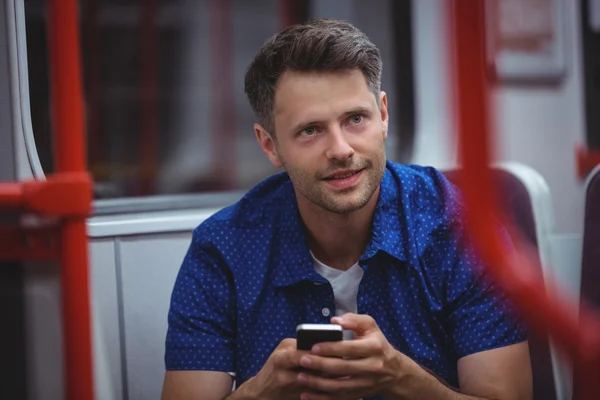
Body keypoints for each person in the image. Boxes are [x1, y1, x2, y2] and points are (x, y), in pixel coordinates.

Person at [161, 19, 532, 400]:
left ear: (383, 115)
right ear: (270, 145)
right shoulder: (223, 249)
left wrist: (403, 379)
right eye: (311, 130)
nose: (340, 149)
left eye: (355, 119)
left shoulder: (462, 229)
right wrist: (263, 391)